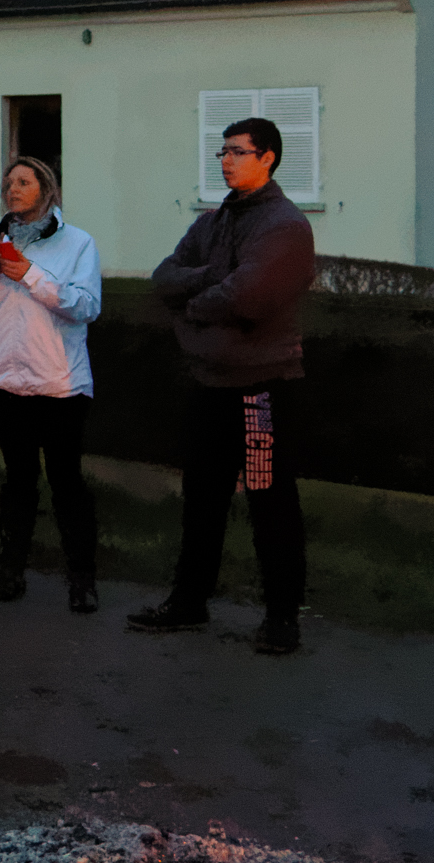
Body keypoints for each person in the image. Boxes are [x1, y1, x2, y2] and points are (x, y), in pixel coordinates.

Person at [132, 117, 315, 655]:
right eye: (222, 152)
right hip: (208, 389)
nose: (225, 160)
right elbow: (163, 277)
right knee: (202, 497)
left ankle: (282, 617)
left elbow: (248, 298)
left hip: (259, 393)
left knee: (268, 499)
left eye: (238, 151)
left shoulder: (284, 226)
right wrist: (206, 279)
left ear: (269, 158)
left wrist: (194, 298)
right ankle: (189, 602)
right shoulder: (213, 222)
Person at [0, 157, 102, 610]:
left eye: (24, 182)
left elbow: (85, 306)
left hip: (59, 385)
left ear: (46, 190)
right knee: (17, 483)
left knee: (66, 484)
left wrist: (29, 274)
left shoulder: (77, 243)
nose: (13, 189)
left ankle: (82, 579)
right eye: (8, 182)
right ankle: (11, 571)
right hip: (6, 381)